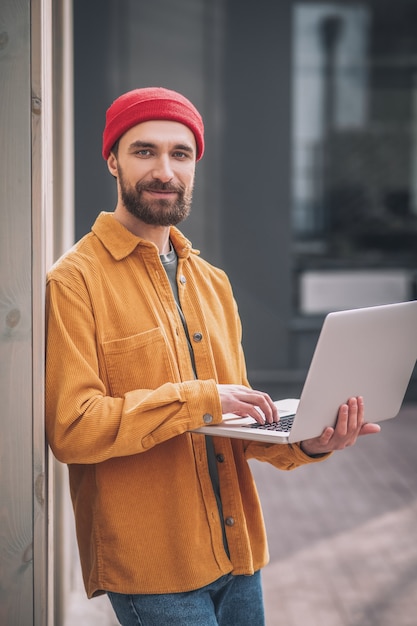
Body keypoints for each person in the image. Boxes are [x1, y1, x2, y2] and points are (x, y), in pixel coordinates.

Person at [45, 87, 380, 626]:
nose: (164, 170)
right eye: (144, 151)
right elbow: (72, 428)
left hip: (240, 554)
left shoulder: (212, 283)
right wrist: (198, 399)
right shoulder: (74, 282)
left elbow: (231, 422)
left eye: (180, 154)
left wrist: (308, 443)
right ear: (112, 160)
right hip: (155, 569)